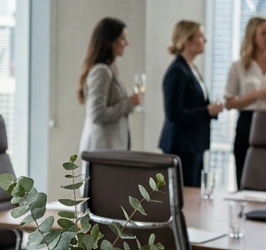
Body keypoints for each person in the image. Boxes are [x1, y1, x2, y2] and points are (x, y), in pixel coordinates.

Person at [224, 16, 266, 185]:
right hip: (248, 122)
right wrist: (258, 94)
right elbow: (229, 103)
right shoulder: (239, 66)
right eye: (263, 33)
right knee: (245, 172)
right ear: (252, 37)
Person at [158, 21, 223, 187]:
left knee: (195, 192)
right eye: (200, 36)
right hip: (182, 146)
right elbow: (173, 113)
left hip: (194, 144)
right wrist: (207, 111)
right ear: (187, 41)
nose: (205, 40)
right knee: (185, 194)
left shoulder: (191, 68)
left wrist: (211, 109)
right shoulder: (177, 71)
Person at [77, 17, 142, 153]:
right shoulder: (102, 71)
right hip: (101, 150)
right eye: (122, 38)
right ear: (110, 41)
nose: (126, 43)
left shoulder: (109, 69)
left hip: (108, 150)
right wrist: (129, 103)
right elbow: (97, 114)